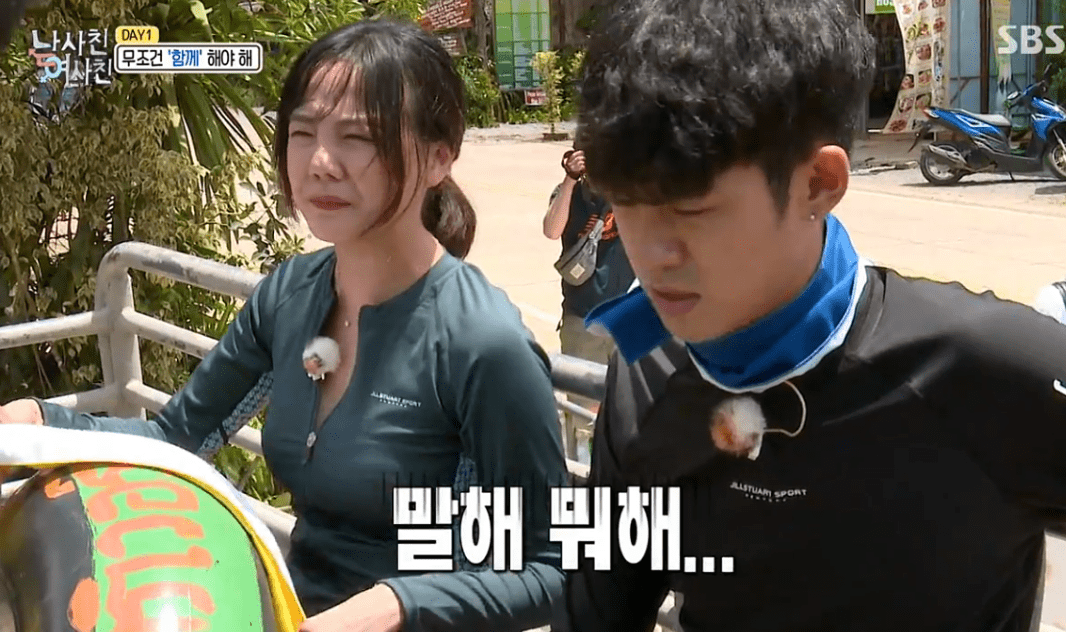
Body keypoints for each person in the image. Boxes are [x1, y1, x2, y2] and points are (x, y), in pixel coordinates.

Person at [1, 19, 568, 632]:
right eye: (302, 132)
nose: (320, 163)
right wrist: (39, 419)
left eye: (358, 137)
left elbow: (549, 567)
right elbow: (177, 438)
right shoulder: (290, 295)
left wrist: (392, 606)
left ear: (438, 157)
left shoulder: (484, 343)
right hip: (294, 611)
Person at [556, 1, 1066, 631]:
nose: (652, 254)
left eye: (690, 210)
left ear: (820, 183)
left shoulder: (987, 367)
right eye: (625, 204)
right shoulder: (645, 373)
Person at [542, 145, 634, 462]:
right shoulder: (569, 194)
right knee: (582, 416)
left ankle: (622, 472)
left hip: (627, 318)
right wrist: (569, 180)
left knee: (630, 409)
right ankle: (582, 475)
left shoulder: (631, 191)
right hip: (582, 318)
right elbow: (551, 230)